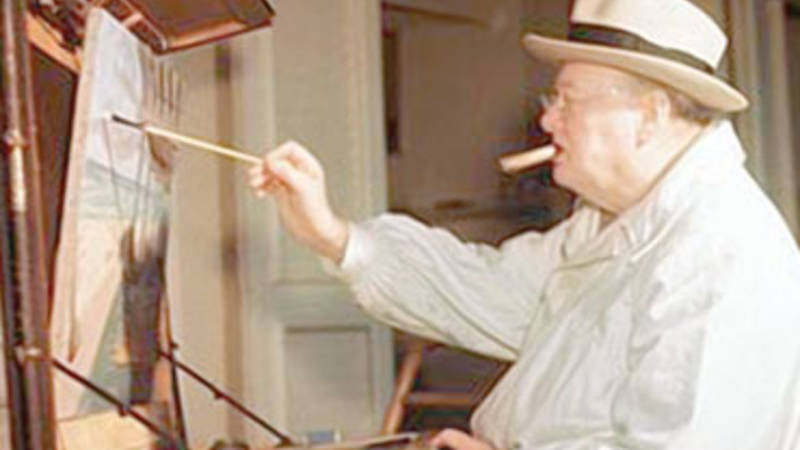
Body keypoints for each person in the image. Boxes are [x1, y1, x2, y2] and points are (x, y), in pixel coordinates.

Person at [248, 0, 800, 448]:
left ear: (649, 116)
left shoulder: (723, 253)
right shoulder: (613, 221)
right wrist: (333, 235)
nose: (547, 119)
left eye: (567, 100)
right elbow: (486, 289)